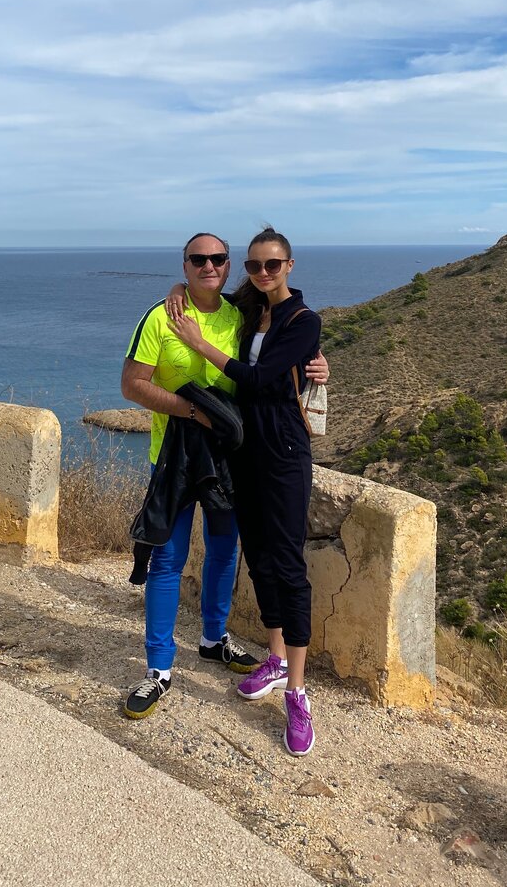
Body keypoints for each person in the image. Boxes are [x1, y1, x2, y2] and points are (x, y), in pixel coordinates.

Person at [167, 227, 322, 756]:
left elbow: (257, 380)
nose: (262, 273)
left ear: (289, 266)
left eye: (272, 265)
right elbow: (202, 291)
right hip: (244, 453)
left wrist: (199, 345)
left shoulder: (305, 321)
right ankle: (275, 659)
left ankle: (297, 692)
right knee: (257, 558)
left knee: (289, 567)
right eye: (254, 265)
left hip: (284, 456)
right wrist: (177, 290)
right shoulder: (249, 310)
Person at [120, 232, 261, 720]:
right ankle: (159, 668)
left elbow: (285, 330)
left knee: (224, 550)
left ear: (228, 266)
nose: (208, 266)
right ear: (184, 265)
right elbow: (132, 385)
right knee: (167, 559)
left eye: (217, 258)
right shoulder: (161, 317)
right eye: (198, 259)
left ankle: (213, 639)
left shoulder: (240, 316)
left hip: (225, 460)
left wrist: (317, 363)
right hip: (174, 460)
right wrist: (192, 412)